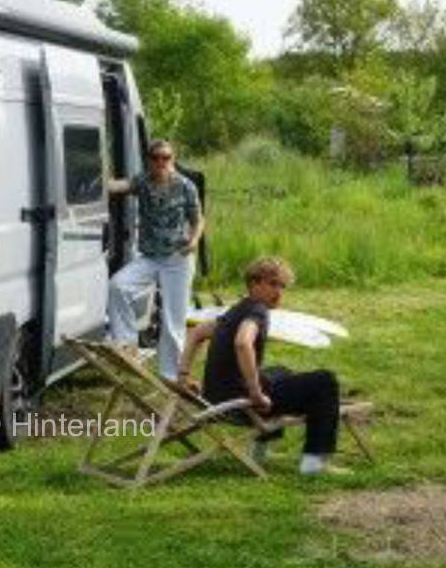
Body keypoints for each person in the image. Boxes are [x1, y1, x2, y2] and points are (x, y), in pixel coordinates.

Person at [177, 256, 345, 476]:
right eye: (273, 284)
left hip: (217, 396)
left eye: (282, 286)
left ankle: (260, 448)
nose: (279, 292)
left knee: (280, 373)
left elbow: (196, 333)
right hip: (241, 403)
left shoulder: (237, 309)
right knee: (325, 382)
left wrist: (183, 375)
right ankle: (315, 463)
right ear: (254, 283)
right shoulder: (257, 312)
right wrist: (256, 393)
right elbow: (242, 342)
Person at [106, 138, 204, 381]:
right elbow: (118, 186)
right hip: (149, 257)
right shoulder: (142, 181)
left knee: (173, 320)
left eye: (166, 157)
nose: (161, 162)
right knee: (117, 286)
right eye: (156, 157)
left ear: (173, 159)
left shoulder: (185, 185)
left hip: (177, 259)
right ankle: (128, 348)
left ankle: (170, 376)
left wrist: (193, 241)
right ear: (148, 160)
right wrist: (94, 176)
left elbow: (199, 219)